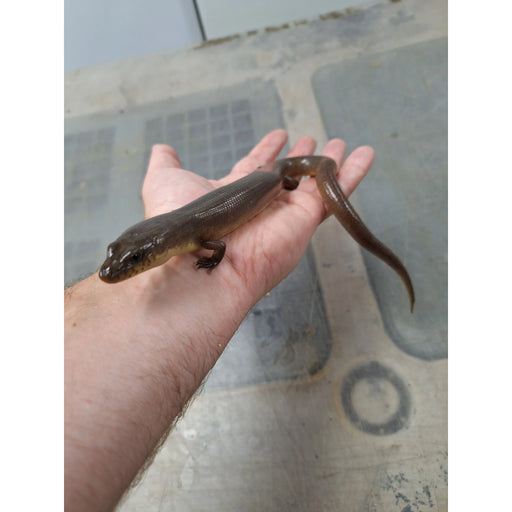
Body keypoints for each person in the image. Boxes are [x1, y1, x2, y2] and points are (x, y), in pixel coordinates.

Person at [65, 129, 375, 511]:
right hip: (275, 176)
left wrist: (214, 262)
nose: (115, 269)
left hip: (277, 177)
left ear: (160, 248)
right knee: (284, 174)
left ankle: (301, 179)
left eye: (135, 261)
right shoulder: (181, 233)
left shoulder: (195, 235)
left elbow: (221, 245)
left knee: (291, 174)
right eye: (121, 255)